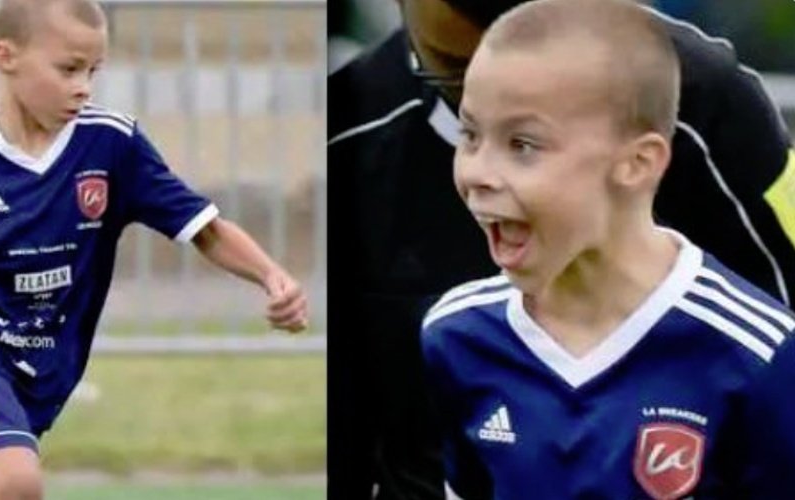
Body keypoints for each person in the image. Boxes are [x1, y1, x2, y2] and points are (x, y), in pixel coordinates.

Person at [328, 0, 795, 498]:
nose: (478, 175)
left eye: (524, 143)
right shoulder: (453, 331)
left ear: (642, 160)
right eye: (469, 131)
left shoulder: (761, 351)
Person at [0, 0, 309, 498]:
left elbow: (206, 228)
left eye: (93, 70)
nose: (83, 86)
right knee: (16, 481)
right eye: (69, 68)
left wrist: (272, 276)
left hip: (40, 377)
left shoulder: (111, 144)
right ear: (6, 56)